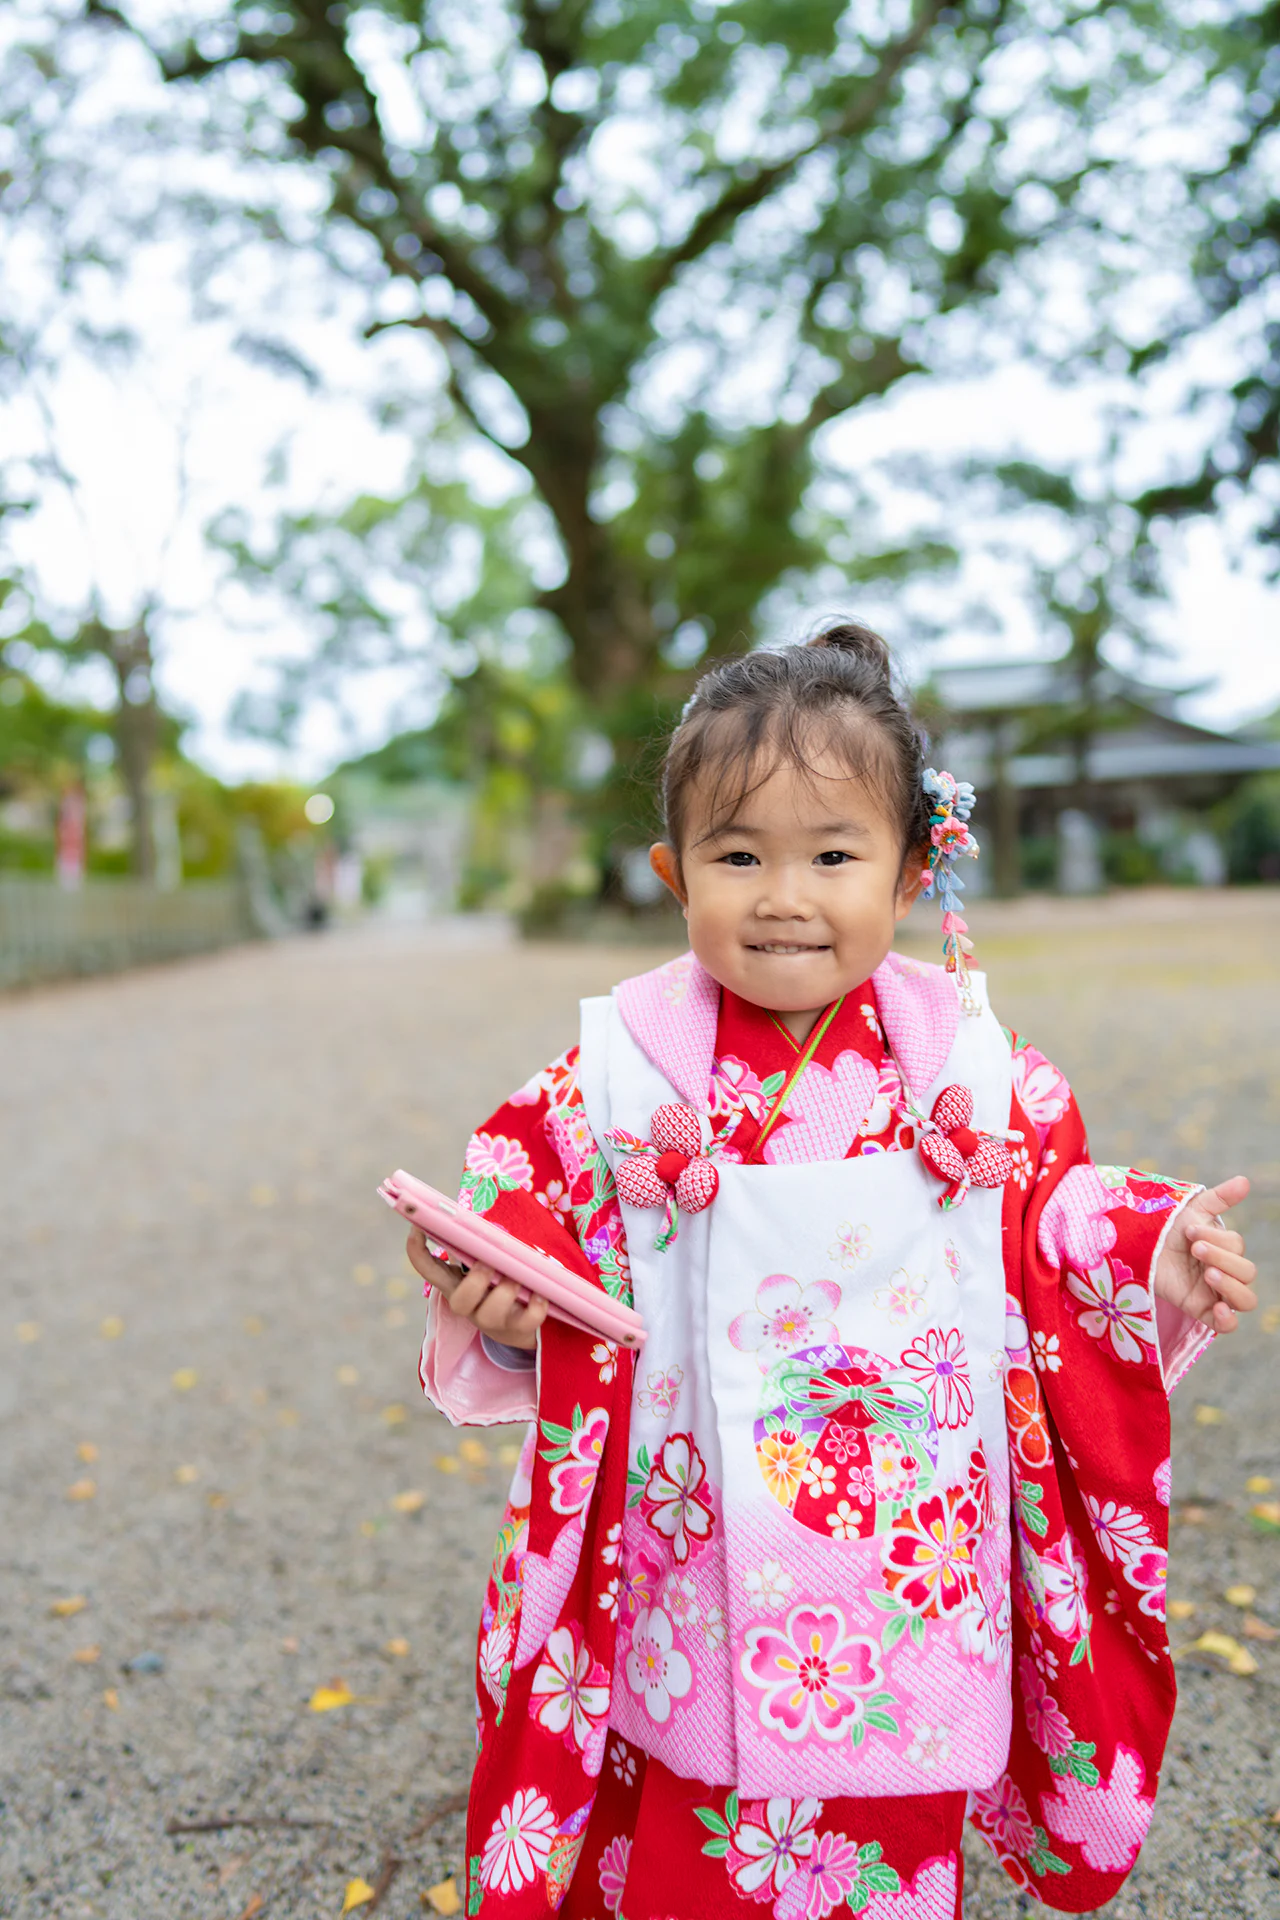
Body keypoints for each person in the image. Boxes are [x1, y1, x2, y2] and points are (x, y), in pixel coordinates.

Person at [409, 628, 1257, 1920]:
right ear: (671, 874)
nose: (784, 894)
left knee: (884, 1840)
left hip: (901, 1557)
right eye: (738, 855)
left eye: (834, 854)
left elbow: (1047, 1226)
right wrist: (502, 1301)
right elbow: (525, 1223)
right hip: (683, 1546)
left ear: (913, 870)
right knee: (685, 1834)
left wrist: (1149, 1256)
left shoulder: (972, 1076)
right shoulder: (619, 1078)